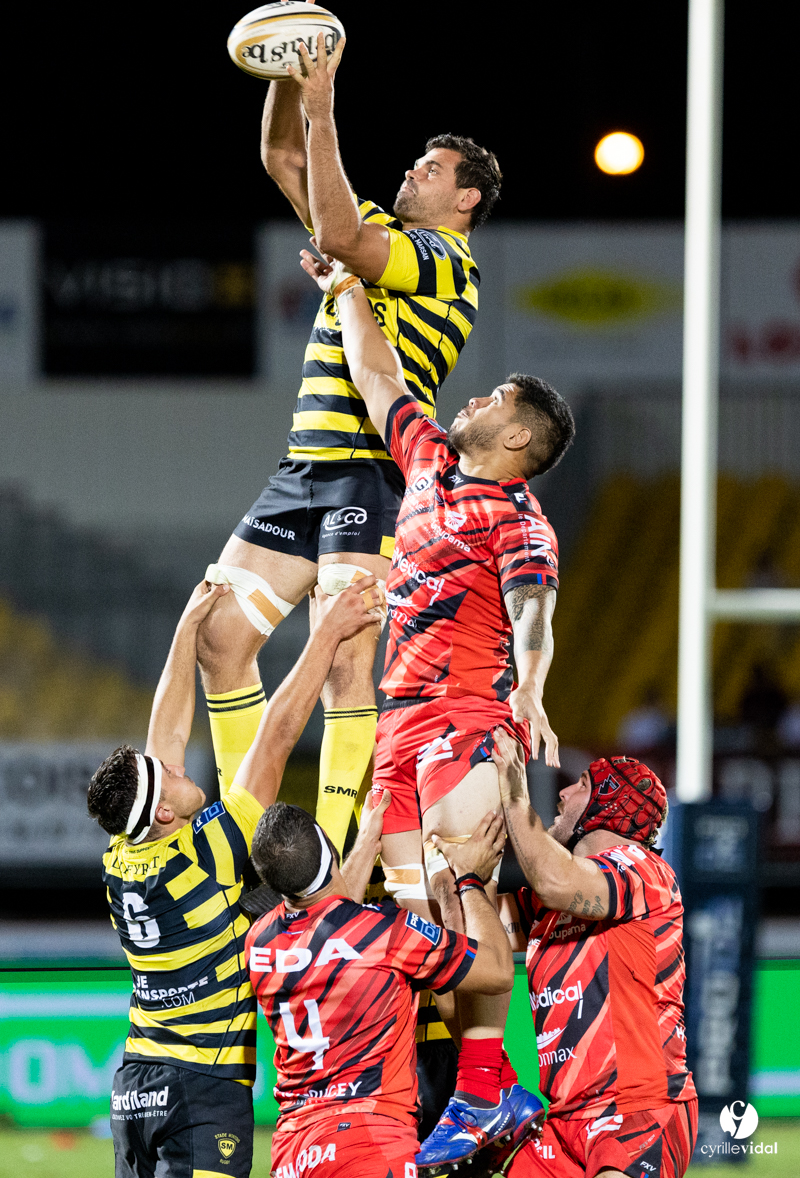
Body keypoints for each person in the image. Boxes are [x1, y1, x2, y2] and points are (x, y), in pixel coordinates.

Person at [198, 0, 502, 860]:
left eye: (430, 170)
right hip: (303, 468)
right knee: (222, 638)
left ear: (465, 198)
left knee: (342, 662)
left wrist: (327, 99)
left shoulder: (445, 263)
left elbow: (336, 228)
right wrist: (286, 78)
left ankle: (323, 851)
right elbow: (281, 153)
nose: (413, 173)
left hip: (371, 474)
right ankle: (245, 833)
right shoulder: (376, 235)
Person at [298, 250, 574, 1162]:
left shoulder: (519, 519)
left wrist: (529, 693)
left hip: (464, 720)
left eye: (492, 397)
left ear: (519, 441)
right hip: (398, 719)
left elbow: (534, 611)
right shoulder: (425, 462)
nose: (472, 399)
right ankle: (460, 1093)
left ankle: (490, 1087)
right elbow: (379, 380)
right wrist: (344, 293)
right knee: (421, 923)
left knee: (466, 894)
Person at [87, 574, 382, 1178]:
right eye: (166, 774)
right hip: (201, 1086)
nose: (176, 763)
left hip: (136, 1085)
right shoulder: (207, 851)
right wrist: (327, 629)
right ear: (164, 813)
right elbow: (275, 735)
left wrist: (185, 631)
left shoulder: (123, 855)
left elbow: (160, 741)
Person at [245, 793, 518, 1178]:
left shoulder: (260, 941)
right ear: (328, 847)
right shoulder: (388, 933)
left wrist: (368, 839)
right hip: (370, 1143)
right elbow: (498, 970)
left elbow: (328, 911)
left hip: (295, 1152)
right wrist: (470, 880)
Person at [482, 729, 698, 1178]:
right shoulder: (546, 905)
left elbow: (556, 880)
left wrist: (514, 791)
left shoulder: (645, 871)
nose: (562, 793)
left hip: (638, 1109)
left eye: (581, 784)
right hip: (561, 1122)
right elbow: (478, 939)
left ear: (609, 804)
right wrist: (462, 874)